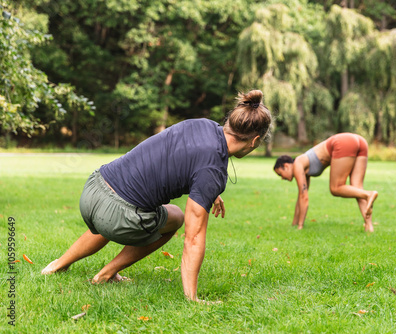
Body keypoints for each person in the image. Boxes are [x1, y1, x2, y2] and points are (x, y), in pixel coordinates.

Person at [42, 90, 272, 303]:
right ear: (254, 141)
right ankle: (106, 273)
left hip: (94, 188)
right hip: (115, 214)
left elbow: (177, 158)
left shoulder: (202, 125)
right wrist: (192, 298)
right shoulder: (212, 169)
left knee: (132, 201)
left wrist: (210, 193)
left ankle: (56, 265)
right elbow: (193, 237)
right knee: (175, 216)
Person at [273, 133, 378, 232]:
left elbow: (304, 198)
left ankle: (368, 194)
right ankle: (369, 226)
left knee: (336, 188)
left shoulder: (297, 164)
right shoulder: (303, 166)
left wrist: (300, 226)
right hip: (359, 141)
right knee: (357, 188)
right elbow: (301, 197)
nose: (282, 178)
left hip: (343, 142)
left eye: (280, 174)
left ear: (286, 166)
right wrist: (294, 223)